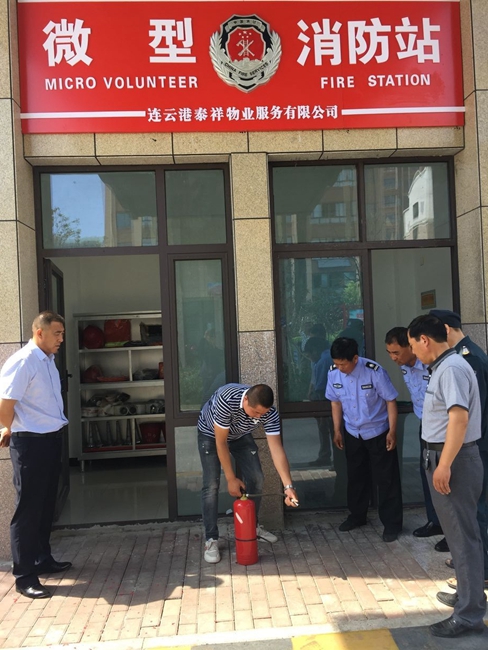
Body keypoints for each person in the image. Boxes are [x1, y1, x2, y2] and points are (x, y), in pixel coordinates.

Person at [407, 314, 486, 638]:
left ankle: (469, 615)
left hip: (453, 460)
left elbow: (459, 419)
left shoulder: (451, 368)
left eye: (413, 345)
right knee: (458, 536)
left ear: (425, 340)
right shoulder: (444, 366)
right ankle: (468, 596)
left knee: (464, 538)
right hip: (446, 457)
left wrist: (445, 464)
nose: (414, 353)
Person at [0, 311, 71, 599]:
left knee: (45, 506)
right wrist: (7, 428)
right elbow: (6, 403)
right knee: (28, 511)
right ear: (39, 332)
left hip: (51, 440)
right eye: (57, 333)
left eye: (62, 334)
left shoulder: (48, 361)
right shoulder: (23, 361)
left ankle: (43, 558)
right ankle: (24, 576)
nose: (61, 339)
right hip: (30, 444)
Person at [197, 383, 299, 563]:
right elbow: (221, 443)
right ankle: (211, 539)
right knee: (211, 484)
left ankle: (252, 527)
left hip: (240, 435)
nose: (258, 417)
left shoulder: (270, 413)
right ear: (245, 400)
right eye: (255, 412)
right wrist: (231, 479)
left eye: (262, 414)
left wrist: (288, 486)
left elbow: (276, 449)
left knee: (256, 478)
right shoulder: (226, 399)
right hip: (211, 435)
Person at [430, 309, 488, 586]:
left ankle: (480, 574)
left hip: (475, 447)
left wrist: (448, 459)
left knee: (474, 514)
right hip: (471, 446)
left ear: (443, 329)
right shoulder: (459, 357)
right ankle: (472, 572)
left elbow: (467, 414)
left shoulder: (466, 359)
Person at [325, 337, 403, 542]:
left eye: (343, 364)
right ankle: (357, 516)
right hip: (352, 432)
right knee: (356, 476)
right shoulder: (333, 373)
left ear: (355, 358)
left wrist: (392, 431)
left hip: (378, 432)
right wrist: (337, 430)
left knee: (386, 479)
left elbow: (390, 400)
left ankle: (392, 524)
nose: (340, 368)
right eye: (336, 363)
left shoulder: (374, 371)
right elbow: (335, 403)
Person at [385, 327, 443, 542]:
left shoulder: (432, 365)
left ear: (410, 347)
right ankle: (435, 521)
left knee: (445, 476)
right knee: (426, 472)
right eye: (389, 353)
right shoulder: (405, 367)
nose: (393, 358)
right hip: (424, 425)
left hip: (442, 428)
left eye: (396, 352)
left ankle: (451, 531)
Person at [303, 336, 333, 467]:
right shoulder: (325, 358)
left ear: (315, 351)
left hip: (325, 400)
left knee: (326, 429)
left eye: (309, 355)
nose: (310, 358)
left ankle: (327, 457)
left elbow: (320, 386)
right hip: (327, 400)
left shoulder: (323, 361)